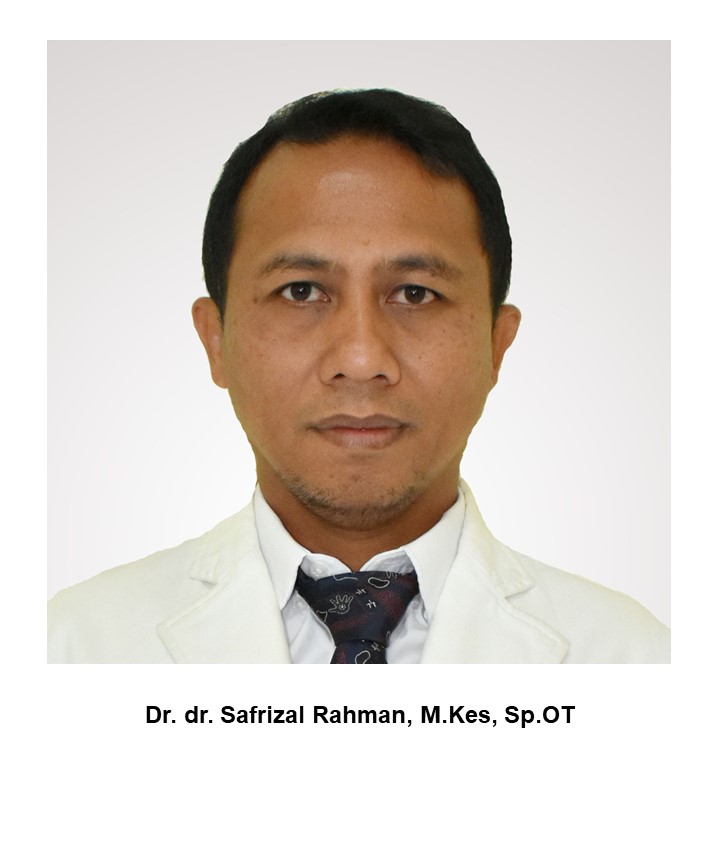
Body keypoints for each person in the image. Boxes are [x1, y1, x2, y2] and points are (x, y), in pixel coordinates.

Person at [48, 88, 669, 664]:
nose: (363, 358)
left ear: (495, 345)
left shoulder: (636, 659)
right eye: (301, 290)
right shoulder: (69, 649)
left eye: (416, 293)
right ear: (217, 340)